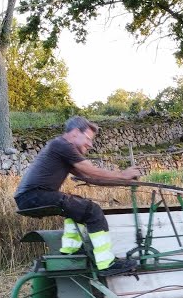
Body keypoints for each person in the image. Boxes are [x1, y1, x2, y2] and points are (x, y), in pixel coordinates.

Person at [14, 116, 142, 275]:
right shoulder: (62, 145)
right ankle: (106, 263)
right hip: (33, 196)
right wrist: (123, 174)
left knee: (78, 206)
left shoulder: (61, 149)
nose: (90, 144)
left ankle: (70, 250)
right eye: (88, 138)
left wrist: (124, 182)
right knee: (93, 211)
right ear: (75, 133)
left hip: (30, 196)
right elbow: (90, 169)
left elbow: (90, 178)